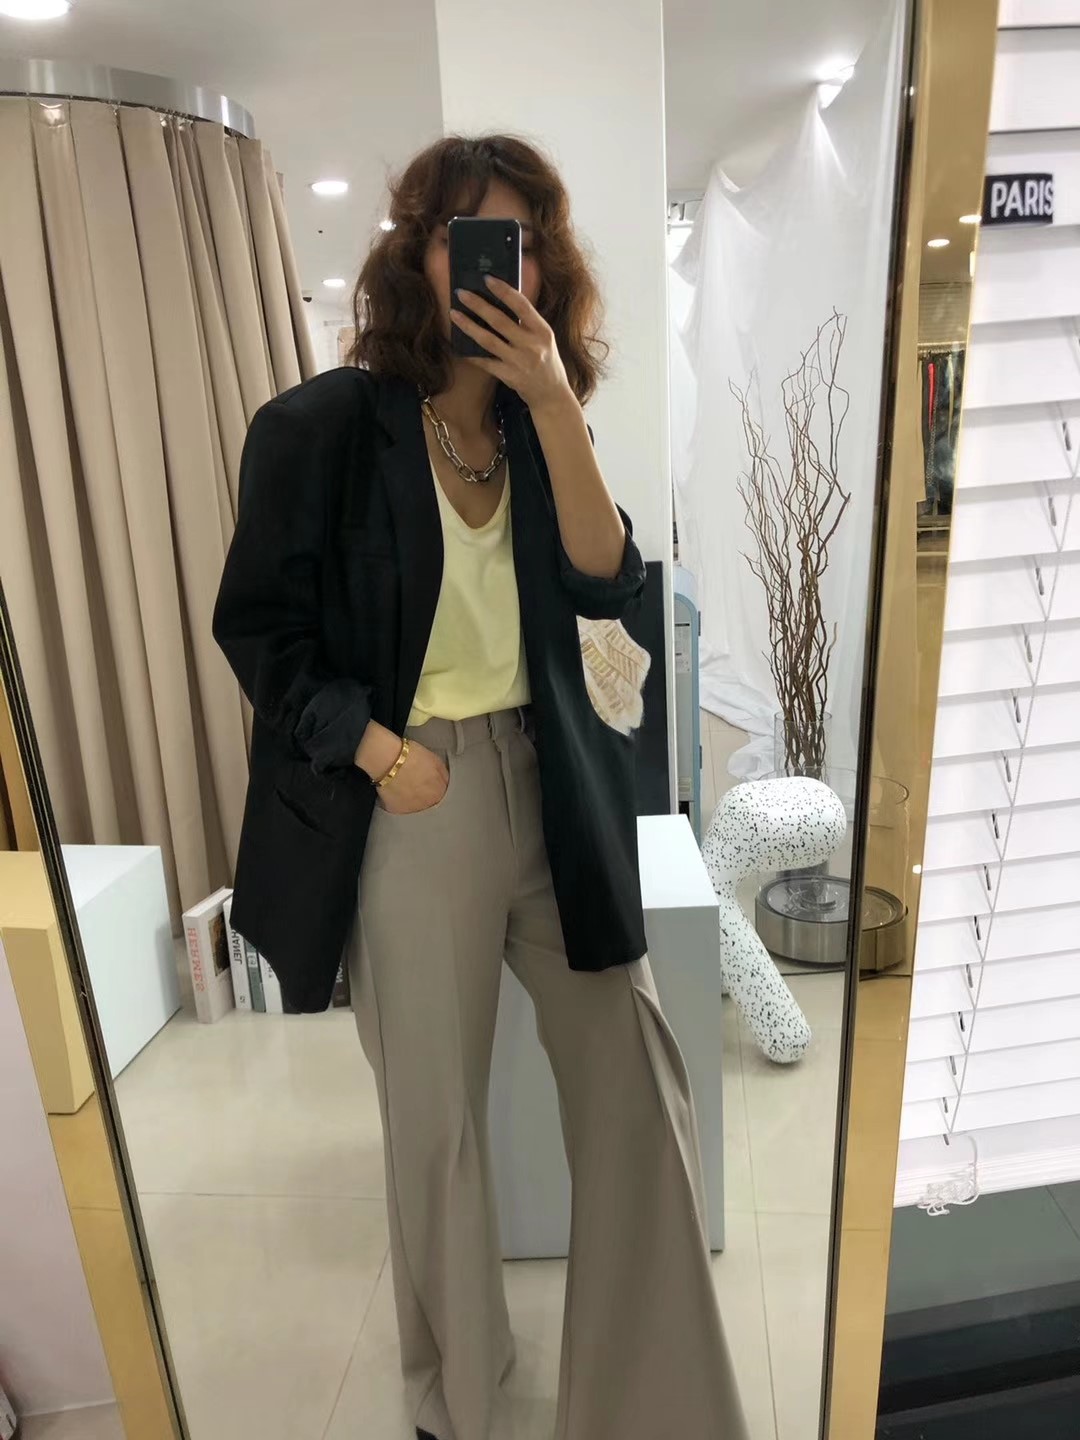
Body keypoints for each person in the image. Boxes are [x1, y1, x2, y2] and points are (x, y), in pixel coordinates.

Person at [213, 134, 747, 1440]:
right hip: (418, 796)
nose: (493, 264)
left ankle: (649, 1402)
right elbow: (260, 630)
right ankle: (459, 1403)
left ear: (544, 267)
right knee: (437, 1131)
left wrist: (555, 404)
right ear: (416, 253)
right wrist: (376, 751)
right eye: (464, 235)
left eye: (518, 241)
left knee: (637, 1084)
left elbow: (609, 585)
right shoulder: (320, 430)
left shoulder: (535, 424)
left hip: (553, 787)